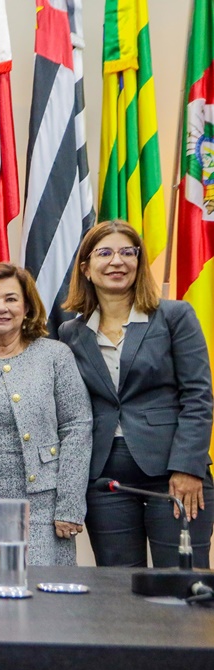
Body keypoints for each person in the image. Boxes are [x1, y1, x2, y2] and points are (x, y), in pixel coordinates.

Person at [59, 219, 214, 567]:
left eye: (128, 252)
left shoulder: (174, 316)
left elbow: (198, 397)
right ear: (85, 267)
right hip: (106, 481)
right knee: (118, 591)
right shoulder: (71, 332)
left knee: (182, 584)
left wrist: (188, 468)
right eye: (105, 253)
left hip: (173, 476)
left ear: (139, 262)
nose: (118, 261)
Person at [0, 263, 92, 566]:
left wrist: (69, 506)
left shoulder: (55, 356)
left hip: (41, 508)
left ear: (27, 307)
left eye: (11, 299)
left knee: (39, 601)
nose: (1, 308)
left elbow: (77, 427)